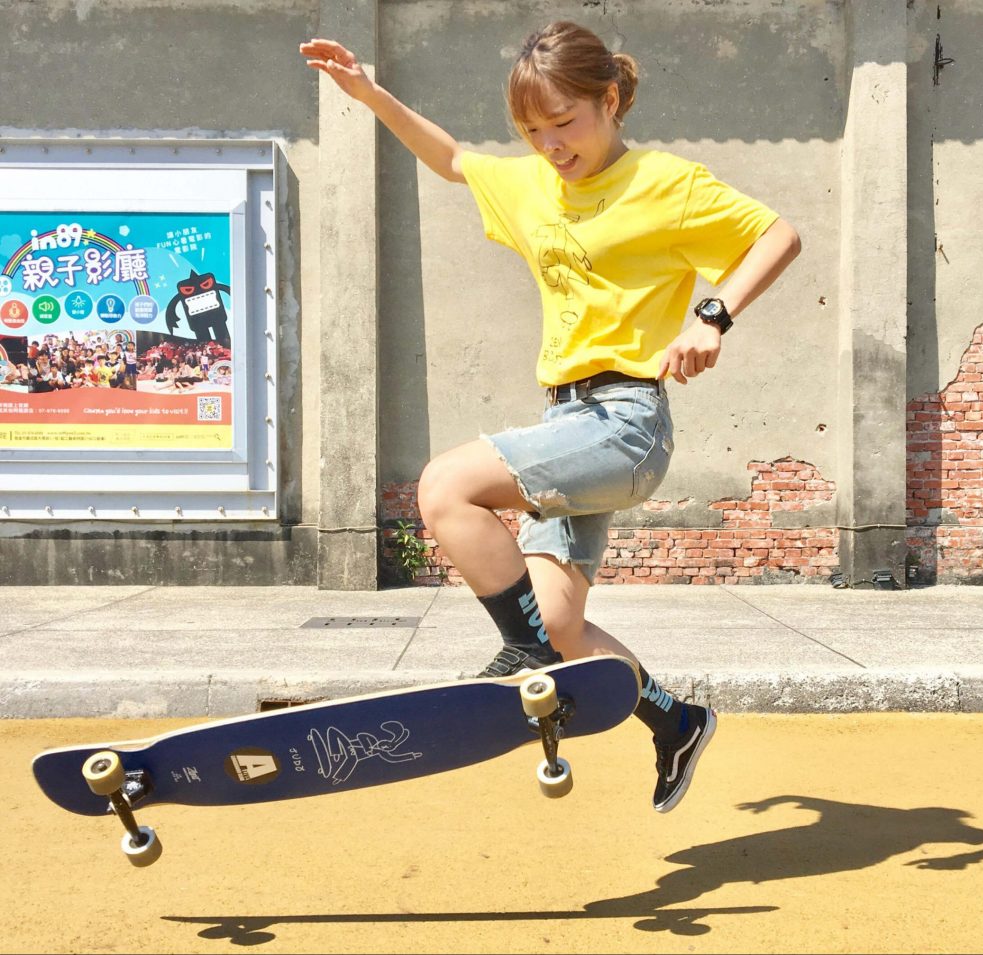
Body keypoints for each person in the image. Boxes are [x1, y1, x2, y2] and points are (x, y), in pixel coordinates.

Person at [300, 21, 801, 813]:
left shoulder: (665, 182)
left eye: (565, 122)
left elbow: (777, 234)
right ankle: (675, 720)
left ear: (610, 100)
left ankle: (520, 644)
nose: (550, 145)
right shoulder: (534, 182)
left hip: (625, 423)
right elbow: (455, 159)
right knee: (566, 628)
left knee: (445, 488)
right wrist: (369, 93)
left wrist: (711, 316)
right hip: (568, 422)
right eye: (532, 131)